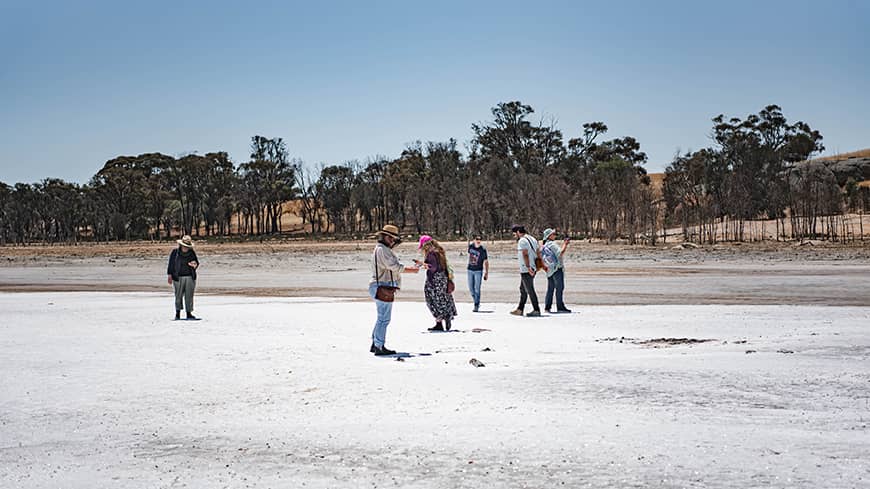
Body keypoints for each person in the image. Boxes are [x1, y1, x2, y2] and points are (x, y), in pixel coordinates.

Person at [369, 224, 420, 356]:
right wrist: (412, 270)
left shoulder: (382, 249)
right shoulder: (382, 250)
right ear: (386, 237)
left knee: (381, 318)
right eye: (391, 238)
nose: (393, 241)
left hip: (381, 286)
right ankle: (379, 346)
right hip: (382, 286)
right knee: (384, 319)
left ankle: (375, 343)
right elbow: (394, 267)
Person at [417, 235, 458, 331]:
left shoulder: (431, 253)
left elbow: (433, 267)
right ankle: (446, 317)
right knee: (443, 298)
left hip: (434, 279)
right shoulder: (440, 251)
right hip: (443, 278)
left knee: (431, 300)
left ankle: (439, 321)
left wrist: (422, 264)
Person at [510, 225, 542, 317]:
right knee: (523, 289)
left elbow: (525, 254)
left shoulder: (522, 241)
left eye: (514, 234)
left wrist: (528, 267)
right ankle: (520, 309)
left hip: (527, 269)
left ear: (518, 232)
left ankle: (536, 309)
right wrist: (539, 265)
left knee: (530, 289)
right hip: (533, 267)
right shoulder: (532, 238)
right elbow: (538, 251)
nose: (514, 236)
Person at [166, 235, 200, 320]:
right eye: (184, 246)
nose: (185, 248)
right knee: (178, 296)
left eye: (187, 246)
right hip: (177, 277)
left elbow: (196, 263)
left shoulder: (192, 253)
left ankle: (189, 313)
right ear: (181, 245)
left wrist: (194, 265)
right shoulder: (175, 252)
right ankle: (178, 313)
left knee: (189, 296)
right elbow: (171, 264)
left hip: (189, 277)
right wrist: (169, 275)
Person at [541, 228, 572, 313]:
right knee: (559, 288)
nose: (555, 235)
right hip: (557, 268)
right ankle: (560, 306)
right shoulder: (552, 244)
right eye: (553, 234)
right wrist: (565, 244)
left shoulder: (544, 245)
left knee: (550, 288)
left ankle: (547, 307)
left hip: (549, 269)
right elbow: (560, 253)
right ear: (549, 236)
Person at [466, 235, 489, 312]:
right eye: (477, 239)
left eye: (480, 239)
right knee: (471, 288)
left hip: (478, 271)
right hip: (470, 270)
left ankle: (476, 304)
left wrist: (486, 273)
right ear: (474, 240)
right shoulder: (471, 247)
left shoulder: (483, 250)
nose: (478, 241)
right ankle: (476, 300)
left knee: (477, 289)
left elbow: (486, 262)